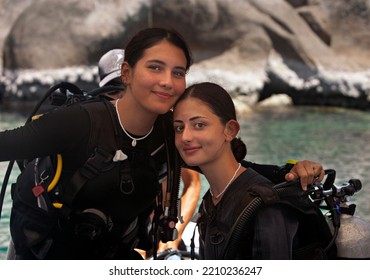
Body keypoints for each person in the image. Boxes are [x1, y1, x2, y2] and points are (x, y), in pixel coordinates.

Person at [0, 27, 324, 260]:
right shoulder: (78, 123)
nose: (167, 82)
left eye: (178, 72)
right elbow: (8, 144)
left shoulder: (170, 136)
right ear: (126, 72)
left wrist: (293, 169)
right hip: (43, 257)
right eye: (155, 67)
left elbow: (235, 167)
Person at [172, 82, 334, 259]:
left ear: (230, 130)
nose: (185, 137)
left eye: (199, 125)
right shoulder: (213, 199)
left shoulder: (265, 208)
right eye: (179, 128)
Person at [98, 48, 202, 254]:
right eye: (114, 90)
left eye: (128, 87)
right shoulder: (90, 132)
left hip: (158, 231)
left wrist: (171, 239)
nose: (123, 97)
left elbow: (193, 183)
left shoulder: (165, 130)